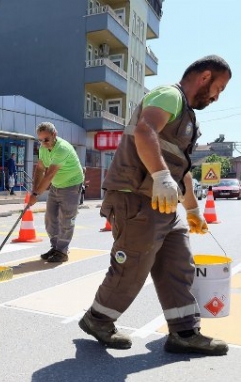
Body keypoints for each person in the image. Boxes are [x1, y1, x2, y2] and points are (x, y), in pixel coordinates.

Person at [79, 55, 232, 356]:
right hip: (134, 195)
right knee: (133, 265)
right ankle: (98, 319)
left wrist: (191, 210)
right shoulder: (169, 95)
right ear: (205, 77)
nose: (217, 97)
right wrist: (161, 176)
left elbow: (181, 170)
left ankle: (184, 332)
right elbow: (144, 130)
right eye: (220, 88)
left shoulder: (188, 117)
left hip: (162, 203)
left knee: (179, 265)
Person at [28, 122, 84, 263]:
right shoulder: (43, 148)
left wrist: (35, 196)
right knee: (50, 218)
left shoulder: (62, 149)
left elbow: (49, 175)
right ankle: (56, 247)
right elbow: (40, 169)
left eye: (46, 139)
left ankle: (62, 251)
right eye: (40, 140)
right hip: (56, 185)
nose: (43, 143)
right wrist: (34, 191)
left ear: (54, 135)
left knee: (66, 218)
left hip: (71, 185)